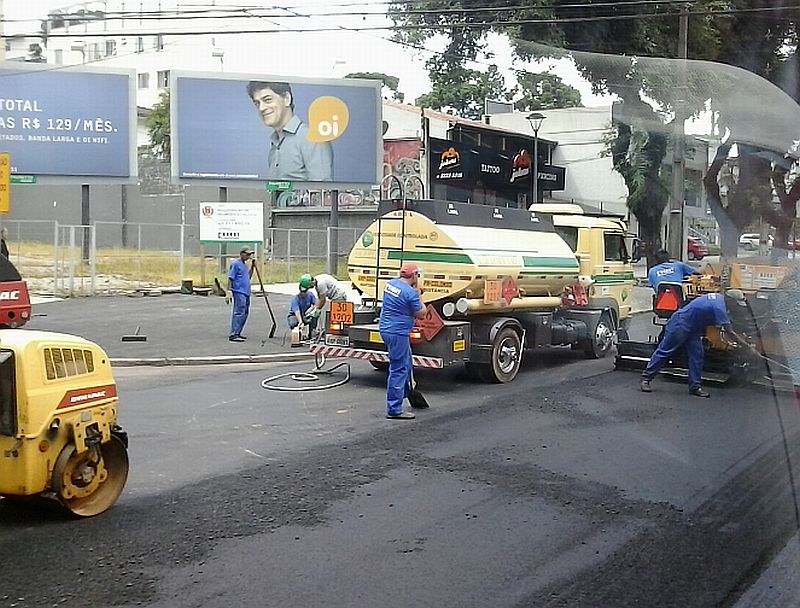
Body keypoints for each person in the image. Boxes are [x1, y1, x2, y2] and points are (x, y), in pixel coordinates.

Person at [640, 290, 747, 397]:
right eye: (736, 304)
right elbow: (730, 332)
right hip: (681, 324)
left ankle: (695, 387)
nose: (736, 307)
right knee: (665, 351)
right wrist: (746, 346)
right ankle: (646, 379)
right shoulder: (719, 308)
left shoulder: (719, 298)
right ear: (730, 300)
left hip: (694, 327)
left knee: (697, 355)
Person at [247, 81, 334, 181]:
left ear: (287, 99)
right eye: (257, 103)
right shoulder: (275, 143)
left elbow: (322, 191)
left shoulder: (312, 137)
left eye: (267, 100)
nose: (261, 108)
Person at [379, 263, 428, 420]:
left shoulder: (391, 285)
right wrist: (418, 293)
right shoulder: (410, 293)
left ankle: (407, 392)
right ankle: (394, 409)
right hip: (398, 333)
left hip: (386, 329)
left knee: (406, 363)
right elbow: (422, 313)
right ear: (414, 275)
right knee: (398, 369)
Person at [225, 246, 255, 342]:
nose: (249, 256)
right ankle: (234, 334)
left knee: (245, 312)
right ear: (242, 254)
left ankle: (238, 332)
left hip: (246, 291)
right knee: (239, 312)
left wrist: (253, 267)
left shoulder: (244, 265)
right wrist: (228, 291)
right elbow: (231, 277)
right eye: (247, 254)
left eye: (250, 254)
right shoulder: (235, 264)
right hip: (239, 291)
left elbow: (248, 277)